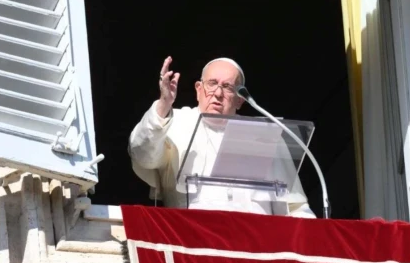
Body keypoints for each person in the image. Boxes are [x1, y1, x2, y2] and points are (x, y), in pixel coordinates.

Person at [128, 56, 315, 218]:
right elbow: (141, 154)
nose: (217, 93)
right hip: (193, 240)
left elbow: (295, 206)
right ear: (198, 89)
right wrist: (163, 104)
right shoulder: (175, 122)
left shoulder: (264, 135)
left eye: (227, 87)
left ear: (240, 99)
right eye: (212, 84)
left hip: (256, 245)